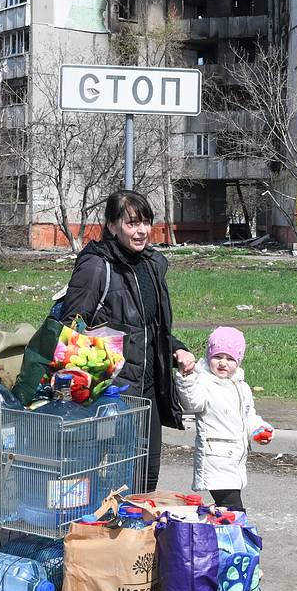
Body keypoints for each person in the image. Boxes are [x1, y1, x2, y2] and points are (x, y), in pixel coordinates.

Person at [60, 190, 194, 493]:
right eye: (132, 223)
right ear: (112, 226)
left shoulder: (152, 265)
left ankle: (133, 538)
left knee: (146, 475)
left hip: (148, 387)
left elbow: (148, 326)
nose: (142, 230)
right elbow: (70, 329)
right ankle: (99, 536)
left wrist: (176, 347)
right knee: (102, 477)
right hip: (109, 390)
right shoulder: (97, 266)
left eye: (146, 222)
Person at [174, 326, 274, 512]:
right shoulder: (202, 381)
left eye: (230, 359)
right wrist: (186, 377)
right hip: (215, 459)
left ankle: (220, 539)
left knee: (226, 511)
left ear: (238, 361)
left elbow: (248, 416)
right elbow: (192, 403)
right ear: (209, 356)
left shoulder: (240, 386)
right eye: (217, 357)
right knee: (234, 511)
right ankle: (239, 540)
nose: (223, 363)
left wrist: (259, 430)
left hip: (234, 460)